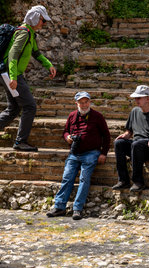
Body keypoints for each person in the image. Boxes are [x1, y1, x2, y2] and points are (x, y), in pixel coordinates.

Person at [46, 92, 110, 220]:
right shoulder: (72, 116)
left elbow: (106, 135)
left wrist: (103, 153)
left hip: (92, 153)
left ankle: (77, 209)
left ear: (90, 102)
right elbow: (65, 131)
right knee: (67, 178)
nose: (84, 104)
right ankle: (59, 207)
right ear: (76, 103)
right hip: (74, 153)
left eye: (86, 102)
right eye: (81, 102)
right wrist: (67, 137)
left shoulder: (97, 116)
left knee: (84, 179)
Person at [0, 5, 56, 152]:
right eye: (43, 21)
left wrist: (48, 65)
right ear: (35, 18)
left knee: (13, 108)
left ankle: (20, 141)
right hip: (11, 75)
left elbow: (36, 53)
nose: (43, 24)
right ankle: (20, 142)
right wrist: (13, 77)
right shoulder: (24, 33)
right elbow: (12, 55)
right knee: (30, 106)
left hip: (9, 74)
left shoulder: (30, 33)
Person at [113, 85, 149, 192]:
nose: (136, 100)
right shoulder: (134, 111)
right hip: (136, 146)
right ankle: (123, 180)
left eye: (139, 98)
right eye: (135, 98)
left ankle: (138, 182)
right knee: (119, 143)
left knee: (137, 144)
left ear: (147, 98)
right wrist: (125, 135)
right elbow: (129, 132)